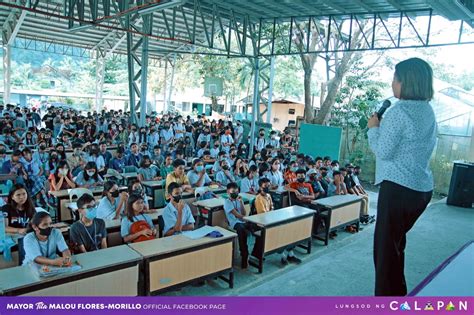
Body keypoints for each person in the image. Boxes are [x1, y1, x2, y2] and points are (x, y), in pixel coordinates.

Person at [367, 57, 436, 296]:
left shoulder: (398, 112)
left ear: (406, 81)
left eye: (395, 78)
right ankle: (399, 297)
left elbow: (383, 151)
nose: (392, 83)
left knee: (385, 254)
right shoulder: (428, 110)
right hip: (421, 189)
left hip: (398, 188)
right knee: (396, 246)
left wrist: (374, 128)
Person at [223, 183, 260, 269]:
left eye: (236, 192)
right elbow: (237, 215)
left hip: (243, 221)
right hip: (234, 223)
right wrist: (246, 219)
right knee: (242, 230)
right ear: (228, 192)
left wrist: (242, 203)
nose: (235, 193)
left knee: (258, 226)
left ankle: (257, 252)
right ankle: (244, 255)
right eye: (233, 192)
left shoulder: (238, 200)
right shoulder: (227, 202)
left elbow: (244, 213)